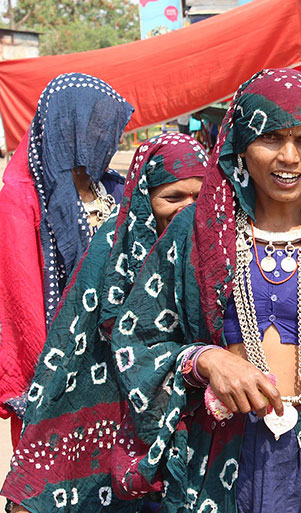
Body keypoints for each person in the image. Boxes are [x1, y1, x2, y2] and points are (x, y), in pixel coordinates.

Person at [102, 69, 301, 513]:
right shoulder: (198, 232)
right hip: (220, 453)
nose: (289, 157)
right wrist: (206, 359)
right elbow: (135, 337)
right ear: (240, 143)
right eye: (271, 138)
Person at [2, 133, 208, 513]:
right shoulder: (113, 244)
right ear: (146, 197)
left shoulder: (218, 251)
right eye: (174, 197)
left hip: (191, 413)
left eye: (200, 196)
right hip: (107, 395)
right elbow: (72, 339)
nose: (189, 210)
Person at [0, 73, 133, 446]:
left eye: (109, 126)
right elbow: (19, 303)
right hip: (56, 377)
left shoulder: (112, 188)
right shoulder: (22, 200)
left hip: (116, 369)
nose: (109, 137)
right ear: (67, 124)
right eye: (96, 124)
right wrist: (48, 385)